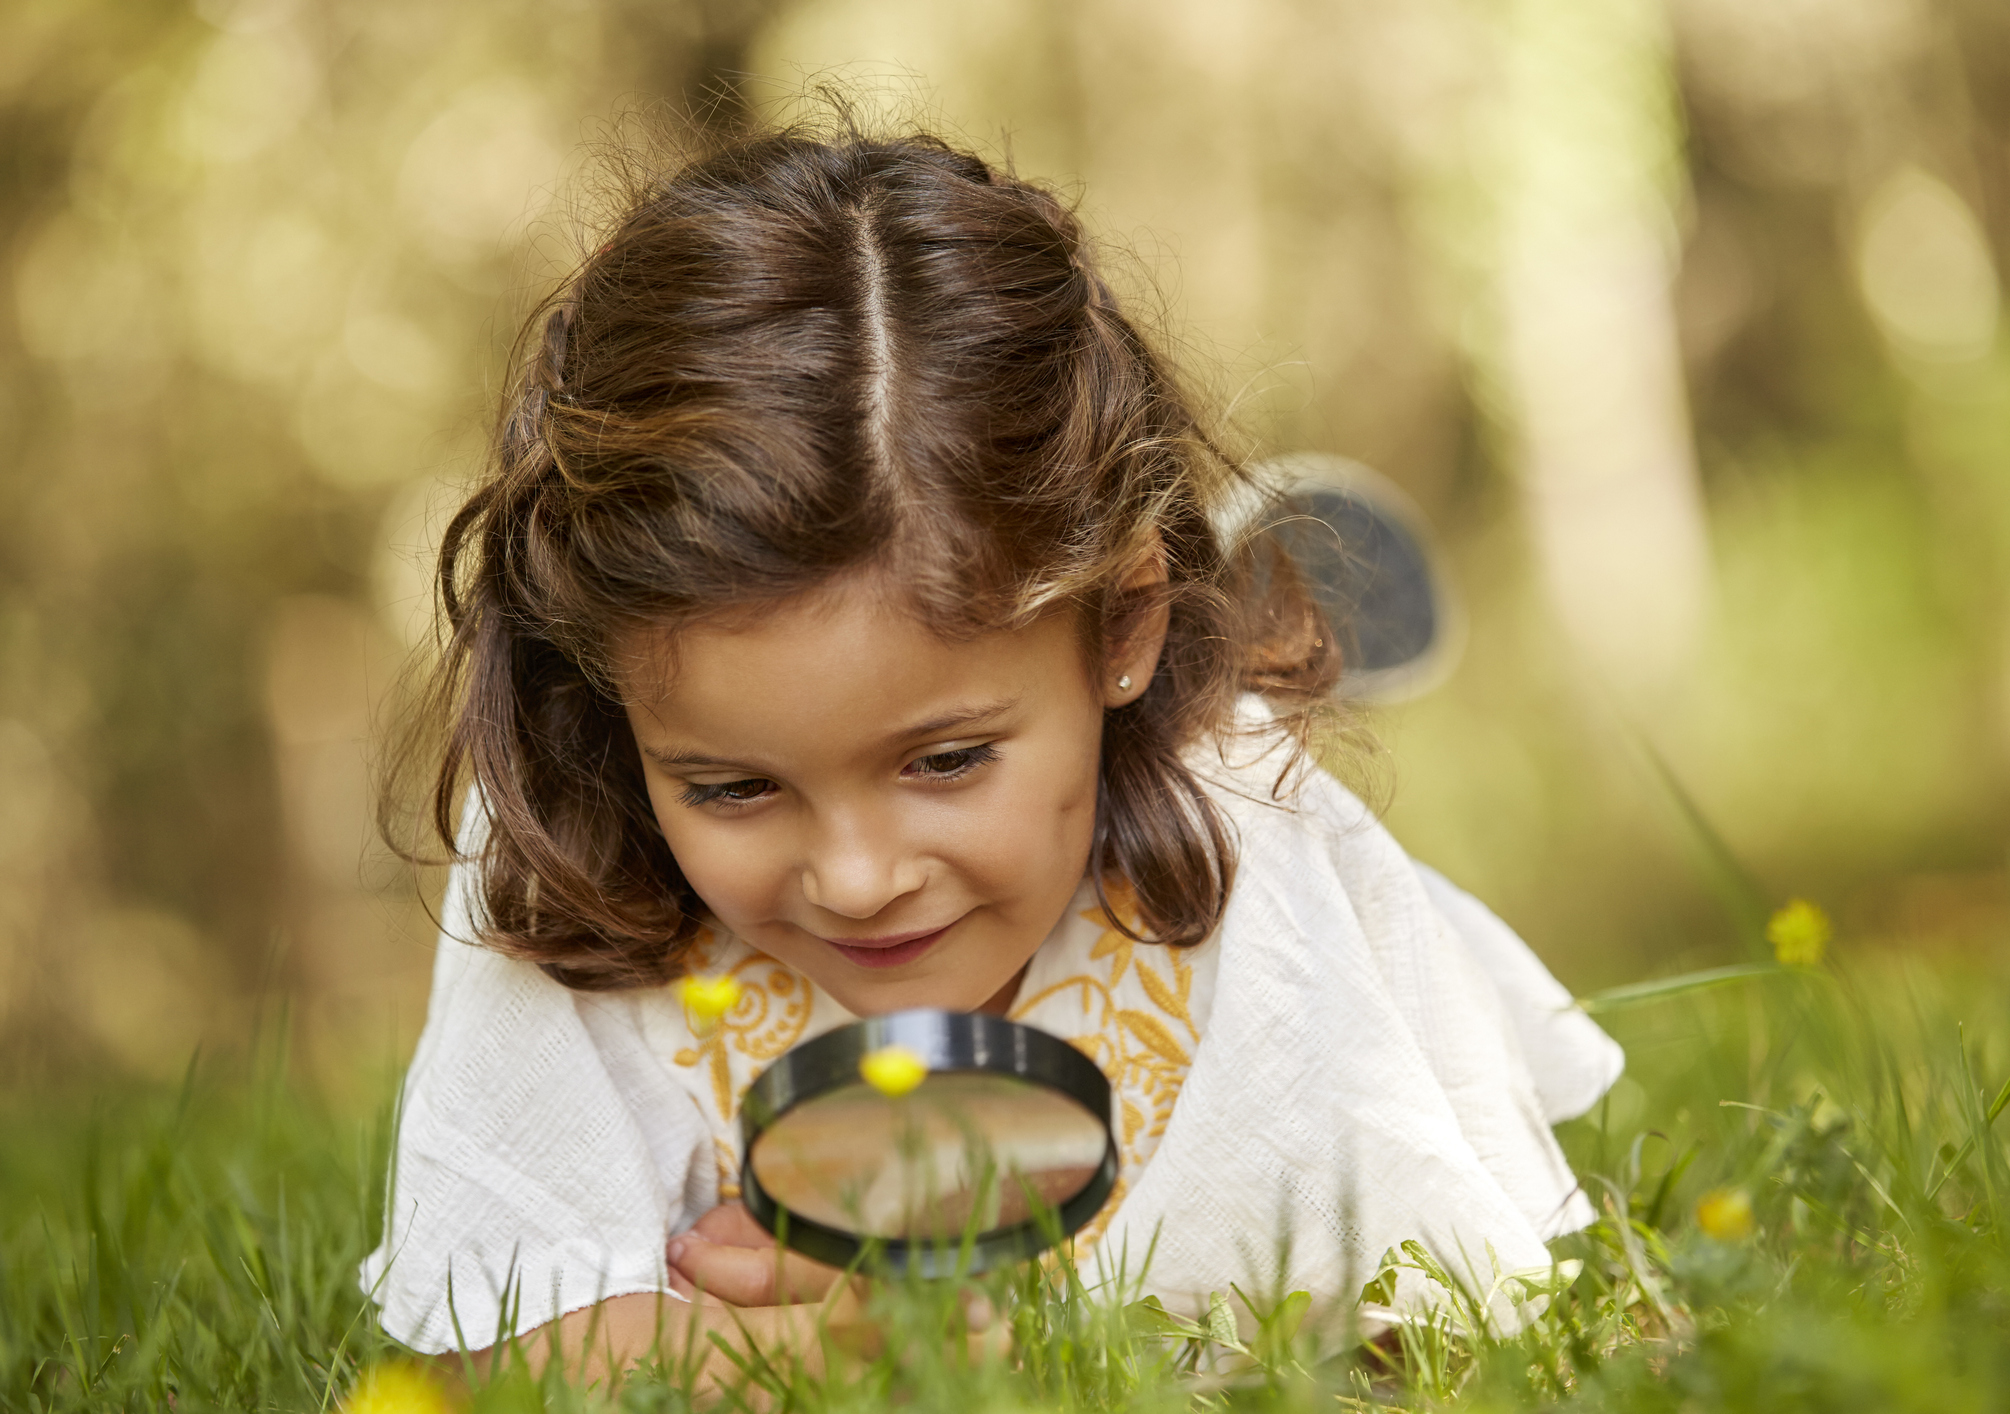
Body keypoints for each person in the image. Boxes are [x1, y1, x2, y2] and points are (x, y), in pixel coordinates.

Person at [361, 117, 1623, 1382]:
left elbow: (1436, 1306)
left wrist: (962, 1328)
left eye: (947, 760)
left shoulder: (1251, 845)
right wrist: (833, 1349)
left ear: (1125, 621)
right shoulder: (564, 863)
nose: (855, 877)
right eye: (734, 787)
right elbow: (495, 1345)